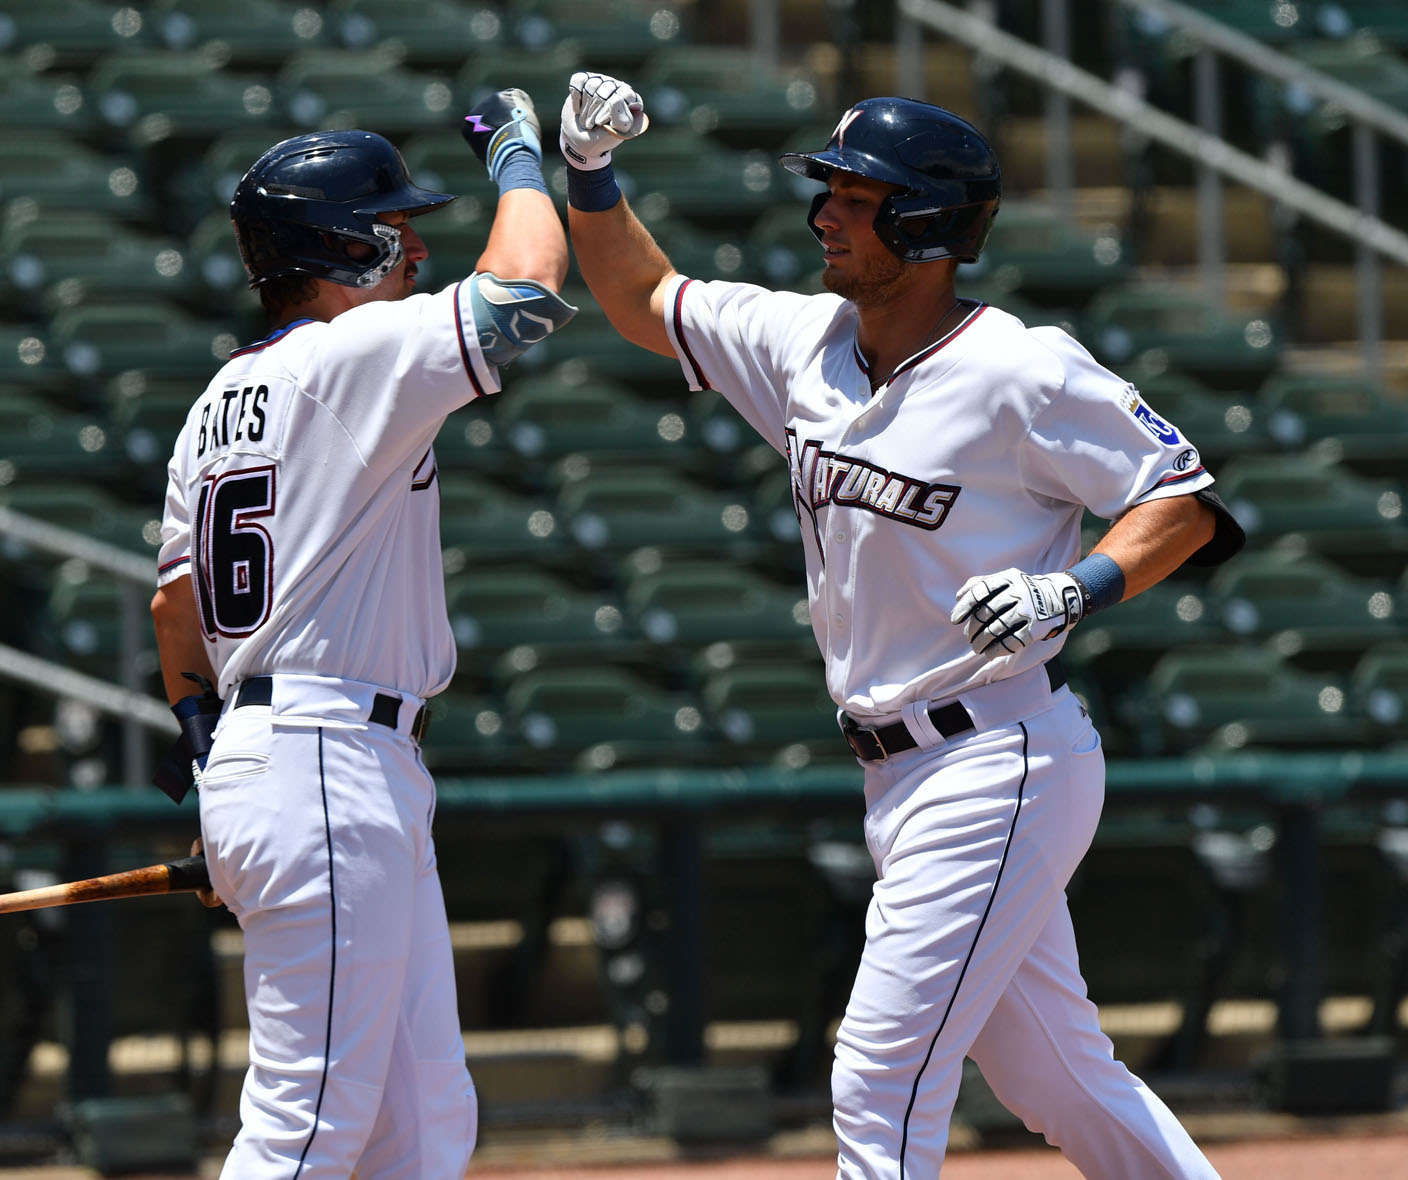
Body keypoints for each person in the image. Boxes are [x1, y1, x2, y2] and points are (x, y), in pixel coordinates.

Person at [558, 75, 1244, 1179]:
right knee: (1057, 1077)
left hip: (996, 754)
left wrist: (1078, 589)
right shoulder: (802, 341)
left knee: (880, 1072)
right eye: (827, 190)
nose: (823, 212)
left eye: (855, 196)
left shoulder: (1022, 369)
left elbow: (1184, 501)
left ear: (925, 220)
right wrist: (590, 178)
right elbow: (643, 299)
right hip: (898, 769)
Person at [149, 88, 573, 1179]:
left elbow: (173, 610)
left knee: (422, 1121)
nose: (418, 243)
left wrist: (214, 755)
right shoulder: (348, 356)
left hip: (299, 758)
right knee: (306, 1131)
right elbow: (524, 290)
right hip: (326, 759)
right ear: (346, 244)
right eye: (396, 224)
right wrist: (519, 159)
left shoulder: (216, 402)